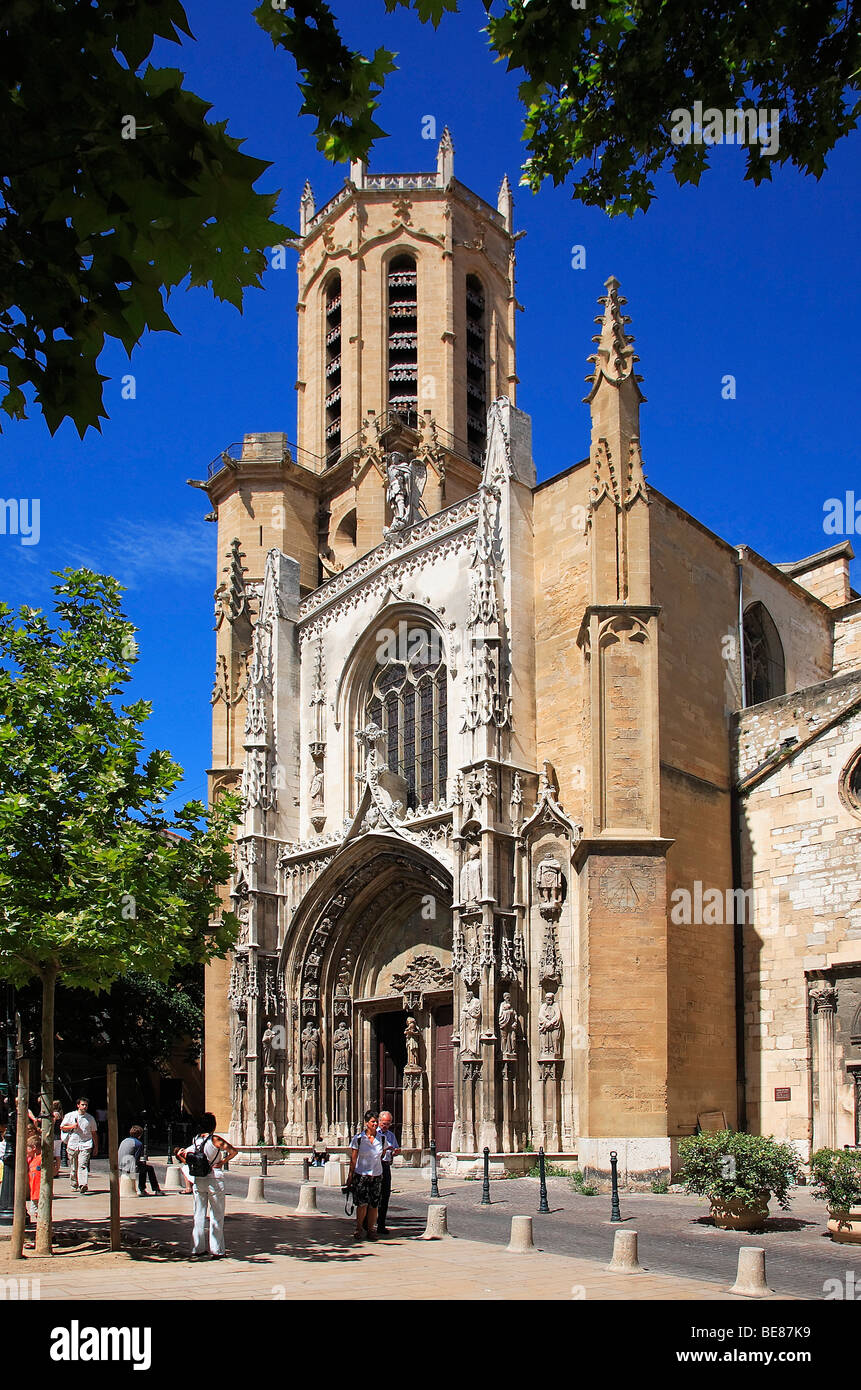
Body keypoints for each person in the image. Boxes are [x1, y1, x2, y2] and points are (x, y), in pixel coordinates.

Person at [175, 1112, 238, 1259]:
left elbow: (185, 1155)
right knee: (216, 1215)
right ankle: (217, 1250)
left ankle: (197, 1247)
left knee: (198, 1214)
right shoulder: (215, 1140)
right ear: (213, 1126)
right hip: (214, 1178)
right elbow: (233, 1151)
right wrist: (221, 1163)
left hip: (199, 1179)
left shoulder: (196, 1140)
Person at [347, 1110, 384, 1242]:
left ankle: (371, 1230)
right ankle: (359, 1228)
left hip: (376, 1175)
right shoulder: (358, 1139)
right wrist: (350, 1176)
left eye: (376, 1121)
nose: (375, 1124)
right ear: (366, 1123)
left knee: (374, 1205)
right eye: (373, 1121)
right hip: (361, 1175)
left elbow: (383, 1156)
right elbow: (353, 1159)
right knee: (362, 1204)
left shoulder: (382, 1138)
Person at [61, 1096, 98, 1194]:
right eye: (83, 1104)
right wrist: (73, 1126)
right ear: (78, 1105)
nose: (84, 1106)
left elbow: (94, 1133)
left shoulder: (90, 1118)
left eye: (86, 1105)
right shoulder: (70, 1115)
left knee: (83, 1164)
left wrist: (96, 1147)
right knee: (73, 1166)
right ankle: (74, 1183)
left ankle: (83, 1184)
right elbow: (62, 1127)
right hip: (73, 1143)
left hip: (86, 1144)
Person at [118, 1124, 163, 1196]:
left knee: (143, 1167)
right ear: (140, 1135)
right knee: (149, 1168)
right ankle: (154, 1189)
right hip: (129, 1166)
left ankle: (143, 1189)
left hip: (120, 1165)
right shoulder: (138, 1143)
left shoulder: (124, 1140)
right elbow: (136, 1159)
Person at [376, 1110, 401, 1236]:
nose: (386, 1126)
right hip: (374, 1166)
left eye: (388, 1123)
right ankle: (367, 1223)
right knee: (373, 1195)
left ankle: (381, 1224)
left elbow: (394, 1148)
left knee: (385, 1195)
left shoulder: (391, 1135)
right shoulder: (373, 1134)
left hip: (385, 1166)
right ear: (379, 1121)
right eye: (384, 1123)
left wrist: (395, 1152)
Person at [51, 1101, 63, 1177]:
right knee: (57, 1154)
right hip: (58, 1136)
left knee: (53, 1154)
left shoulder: (55, 1114)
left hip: (54, 1136)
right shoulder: (60, 1114)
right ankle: (56, 1170)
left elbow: (52, 1123)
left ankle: (54, 1171)